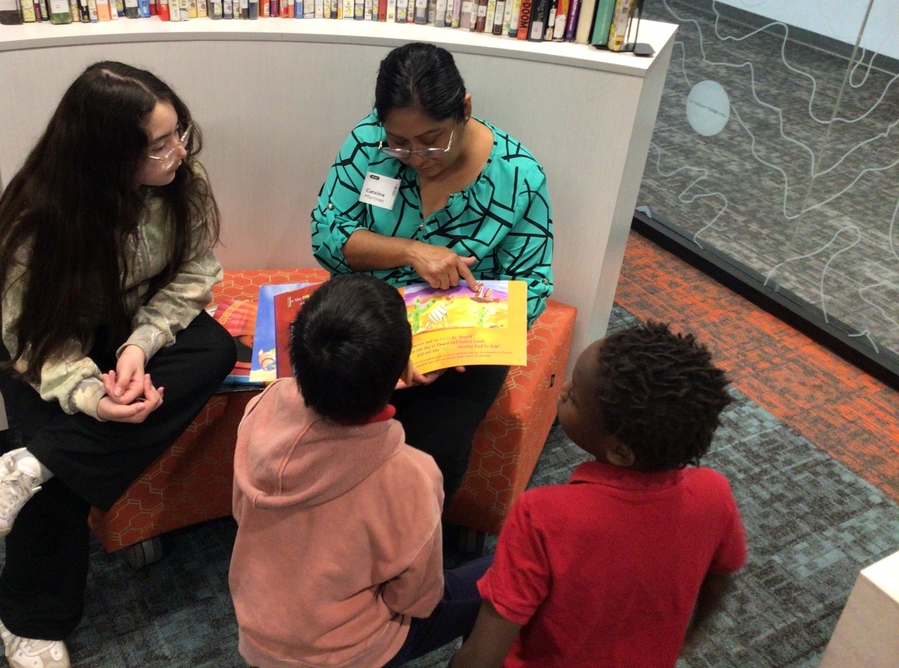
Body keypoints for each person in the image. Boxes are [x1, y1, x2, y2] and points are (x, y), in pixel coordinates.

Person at [0, 61, 237, 668]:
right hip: (43, 347)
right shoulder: (37, 218)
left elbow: (194, 274)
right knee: (60, 485)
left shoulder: (183, 180)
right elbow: (29, 336)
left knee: (212, 349)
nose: (178, 152)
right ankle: (27, 617)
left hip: (125, 328)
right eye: (157, 145)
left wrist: (139, 346)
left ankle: (34, 463)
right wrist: (89, 396)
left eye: (176, 132)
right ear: (104, 156)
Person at [311, 42, 554, 501]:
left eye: (432, 140)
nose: (417, 157)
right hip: (370, 312)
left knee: (431, 447)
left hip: (465, 332)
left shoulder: (517, 176)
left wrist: (441, 347)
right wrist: (409, 251)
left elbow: (530, 286)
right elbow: (327, 236)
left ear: (464, 108)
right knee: (325, 426)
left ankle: (415, 548)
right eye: (400, 142)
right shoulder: (369, 142)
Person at [229, 274, 492, 668]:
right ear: (404, 366)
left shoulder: (261, 409)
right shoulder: (412, 475)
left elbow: (239, 511)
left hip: (255, 632)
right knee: (502, 570)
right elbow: (416, 600)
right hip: (348, 652)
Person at [449, 322, 748, 668]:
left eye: (575, 397)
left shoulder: (543, 514)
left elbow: (483, 655)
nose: (563, 389)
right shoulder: (714, 491)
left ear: (620, 451)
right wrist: (689, 637)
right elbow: (722, 576)